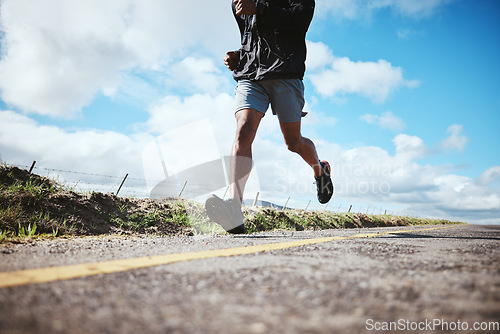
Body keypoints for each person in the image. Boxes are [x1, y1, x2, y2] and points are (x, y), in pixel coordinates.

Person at [205, 0, 333, 234]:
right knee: (243, 130)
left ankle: (320, 169)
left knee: (293, 143)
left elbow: (298, 21)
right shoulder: (238, 3)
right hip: (251, 76)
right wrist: (239, 57)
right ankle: (234, 208)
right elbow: (252, 39)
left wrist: (261, 8)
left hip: (286, 73)